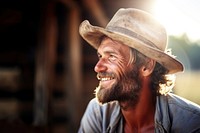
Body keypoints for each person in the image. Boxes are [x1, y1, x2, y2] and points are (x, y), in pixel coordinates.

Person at [78, 8, 200, 133]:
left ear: (146, 66)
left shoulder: (192, 124)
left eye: (112, 56)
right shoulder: (98, 114)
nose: (98, 67)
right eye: (100, 56)